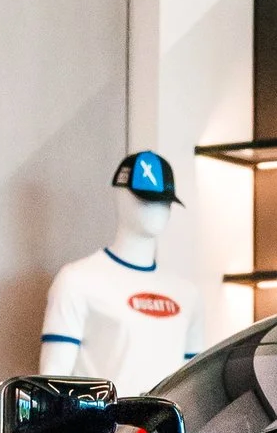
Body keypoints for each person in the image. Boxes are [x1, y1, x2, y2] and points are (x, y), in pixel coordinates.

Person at [38, 151, 198, 391]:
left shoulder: (187, 294)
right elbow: (52, 383)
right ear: (120, 197)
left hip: (166, 416)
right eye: (146, 201)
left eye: (163, 202)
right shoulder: (77, 281)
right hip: (103, 417)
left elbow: (194, 388)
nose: (156, 211)